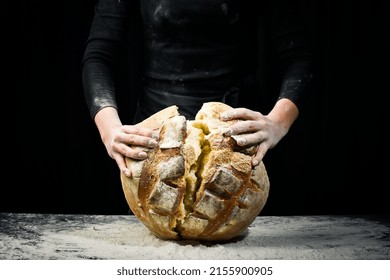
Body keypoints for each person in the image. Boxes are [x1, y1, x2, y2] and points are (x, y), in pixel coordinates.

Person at [82, 0, 314, 178]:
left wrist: (277, 123)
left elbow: (299, 56)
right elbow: (99, 56)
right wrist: (110, 129)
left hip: (239, 141)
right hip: (155, 141)